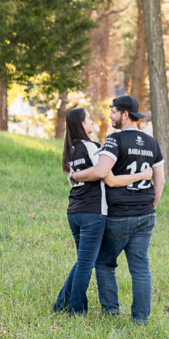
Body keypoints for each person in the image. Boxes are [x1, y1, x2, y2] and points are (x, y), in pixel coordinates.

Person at [71, 95, 165, 324]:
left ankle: (111, 312)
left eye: (113, 111)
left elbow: (103, 173)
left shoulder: (114, 140)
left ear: (125, 114)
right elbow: (160, 182)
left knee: (103, 262)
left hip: (119, 214)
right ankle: (140, 319)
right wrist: (149, 207)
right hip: (146, 215)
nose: (110, 116)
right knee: (141, 268)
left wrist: (74, 175)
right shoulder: (152, 142)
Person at [54, 107, 152, 316]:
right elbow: (106, 174)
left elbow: (73, 184)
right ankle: (76, 310)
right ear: (81, 124)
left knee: (83, 260)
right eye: (89, 119)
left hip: (74, 212)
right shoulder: (92, 148)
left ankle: (61, 303)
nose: (92, 122)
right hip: (93, 213)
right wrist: (141, 174)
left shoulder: (67, 154)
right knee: (86, 263)